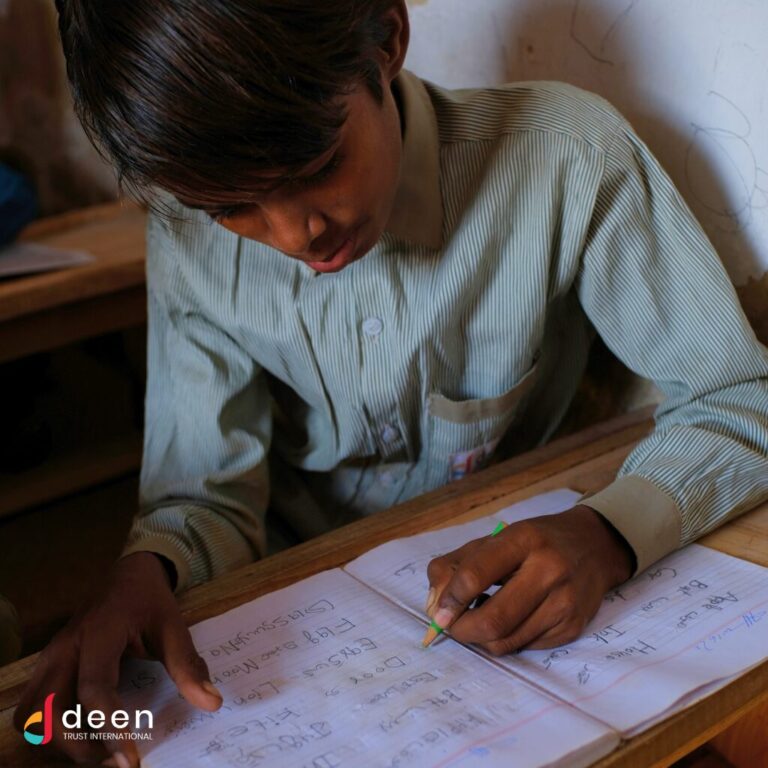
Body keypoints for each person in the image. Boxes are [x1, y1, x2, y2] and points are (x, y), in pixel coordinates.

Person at [16, 1, 768, 765]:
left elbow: (737, 398)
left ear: (387, 39)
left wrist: (610, 534)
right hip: (299, 628)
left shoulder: (569, 156)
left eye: (314, 168)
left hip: (507, 613)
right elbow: (202, 495)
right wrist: (151, 566)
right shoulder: (183, 231)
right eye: (232, 209)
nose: (294, 235)